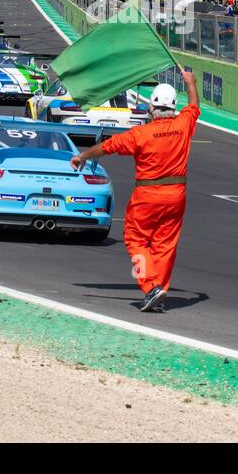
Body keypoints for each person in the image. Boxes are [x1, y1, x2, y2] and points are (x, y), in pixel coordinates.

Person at [71, 68, 200, 313]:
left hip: (148, 196)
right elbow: (193, 105)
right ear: (173, 108)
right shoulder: (183, 125)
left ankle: (150, 287)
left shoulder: (141, 134)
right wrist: (190, 83)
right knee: (165, 245)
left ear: (152, 108)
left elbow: (108, 146)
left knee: (134, 239)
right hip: (176, 195)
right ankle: (158, 290)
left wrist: (84, 155)